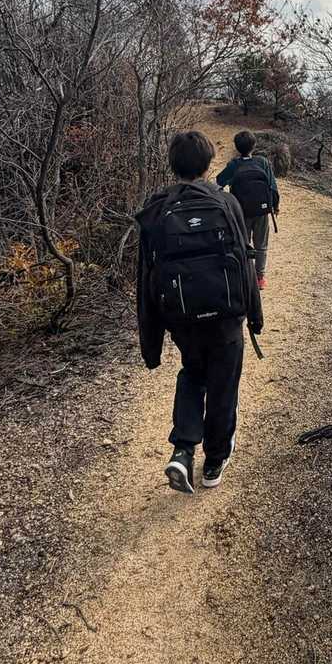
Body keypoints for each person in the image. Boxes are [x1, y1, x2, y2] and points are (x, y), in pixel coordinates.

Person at [136, 130, 263, 494]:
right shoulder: (227, 203)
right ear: (209, 164)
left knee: (193, 372)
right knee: (224, 383)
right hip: (227, 318)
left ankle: (183, 449)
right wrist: (255, 316)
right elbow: (245, 263)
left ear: (172, 165)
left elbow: (146, 277)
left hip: (182, 318)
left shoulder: (157, 209)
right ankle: (214, 462)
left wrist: (151, 343)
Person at [216, 130, 280, 289]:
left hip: (241, 211)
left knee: (243, 243)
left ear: (236, 147)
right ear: (254, 146)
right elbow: (272, 186)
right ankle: (260, 278)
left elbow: (219, 181)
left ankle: (244, 275)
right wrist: (275, 206)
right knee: (261, 245)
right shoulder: (262, 162)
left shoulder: (234, 165)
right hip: (261, 211)